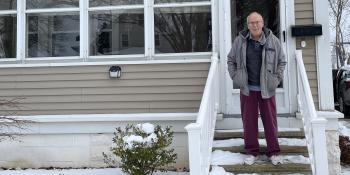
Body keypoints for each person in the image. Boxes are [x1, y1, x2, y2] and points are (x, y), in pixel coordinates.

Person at [227, 12, 286, 165]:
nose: (255, 25)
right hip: (248, 89)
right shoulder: (239, 41)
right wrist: (236, 77)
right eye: (251, 22)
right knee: (249, 122)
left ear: (262, 23)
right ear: (248, 25)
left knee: (270, 122)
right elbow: (230, 60)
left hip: (267, 89)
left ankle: (273, 152)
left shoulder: (273, 41)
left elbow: (282, 61)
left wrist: (276, 78)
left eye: (257, 22)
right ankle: (252, 152)